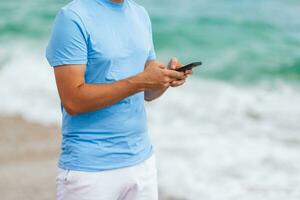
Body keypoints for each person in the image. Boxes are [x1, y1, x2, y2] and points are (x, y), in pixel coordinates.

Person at [46, 0, 192, 199]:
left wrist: (165, 78)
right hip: (90, 169)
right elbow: (73, 101)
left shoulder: (140, 14)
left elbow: (147, 92)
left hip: (142, 163)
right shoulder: (72, 17)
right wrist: (140, 81)